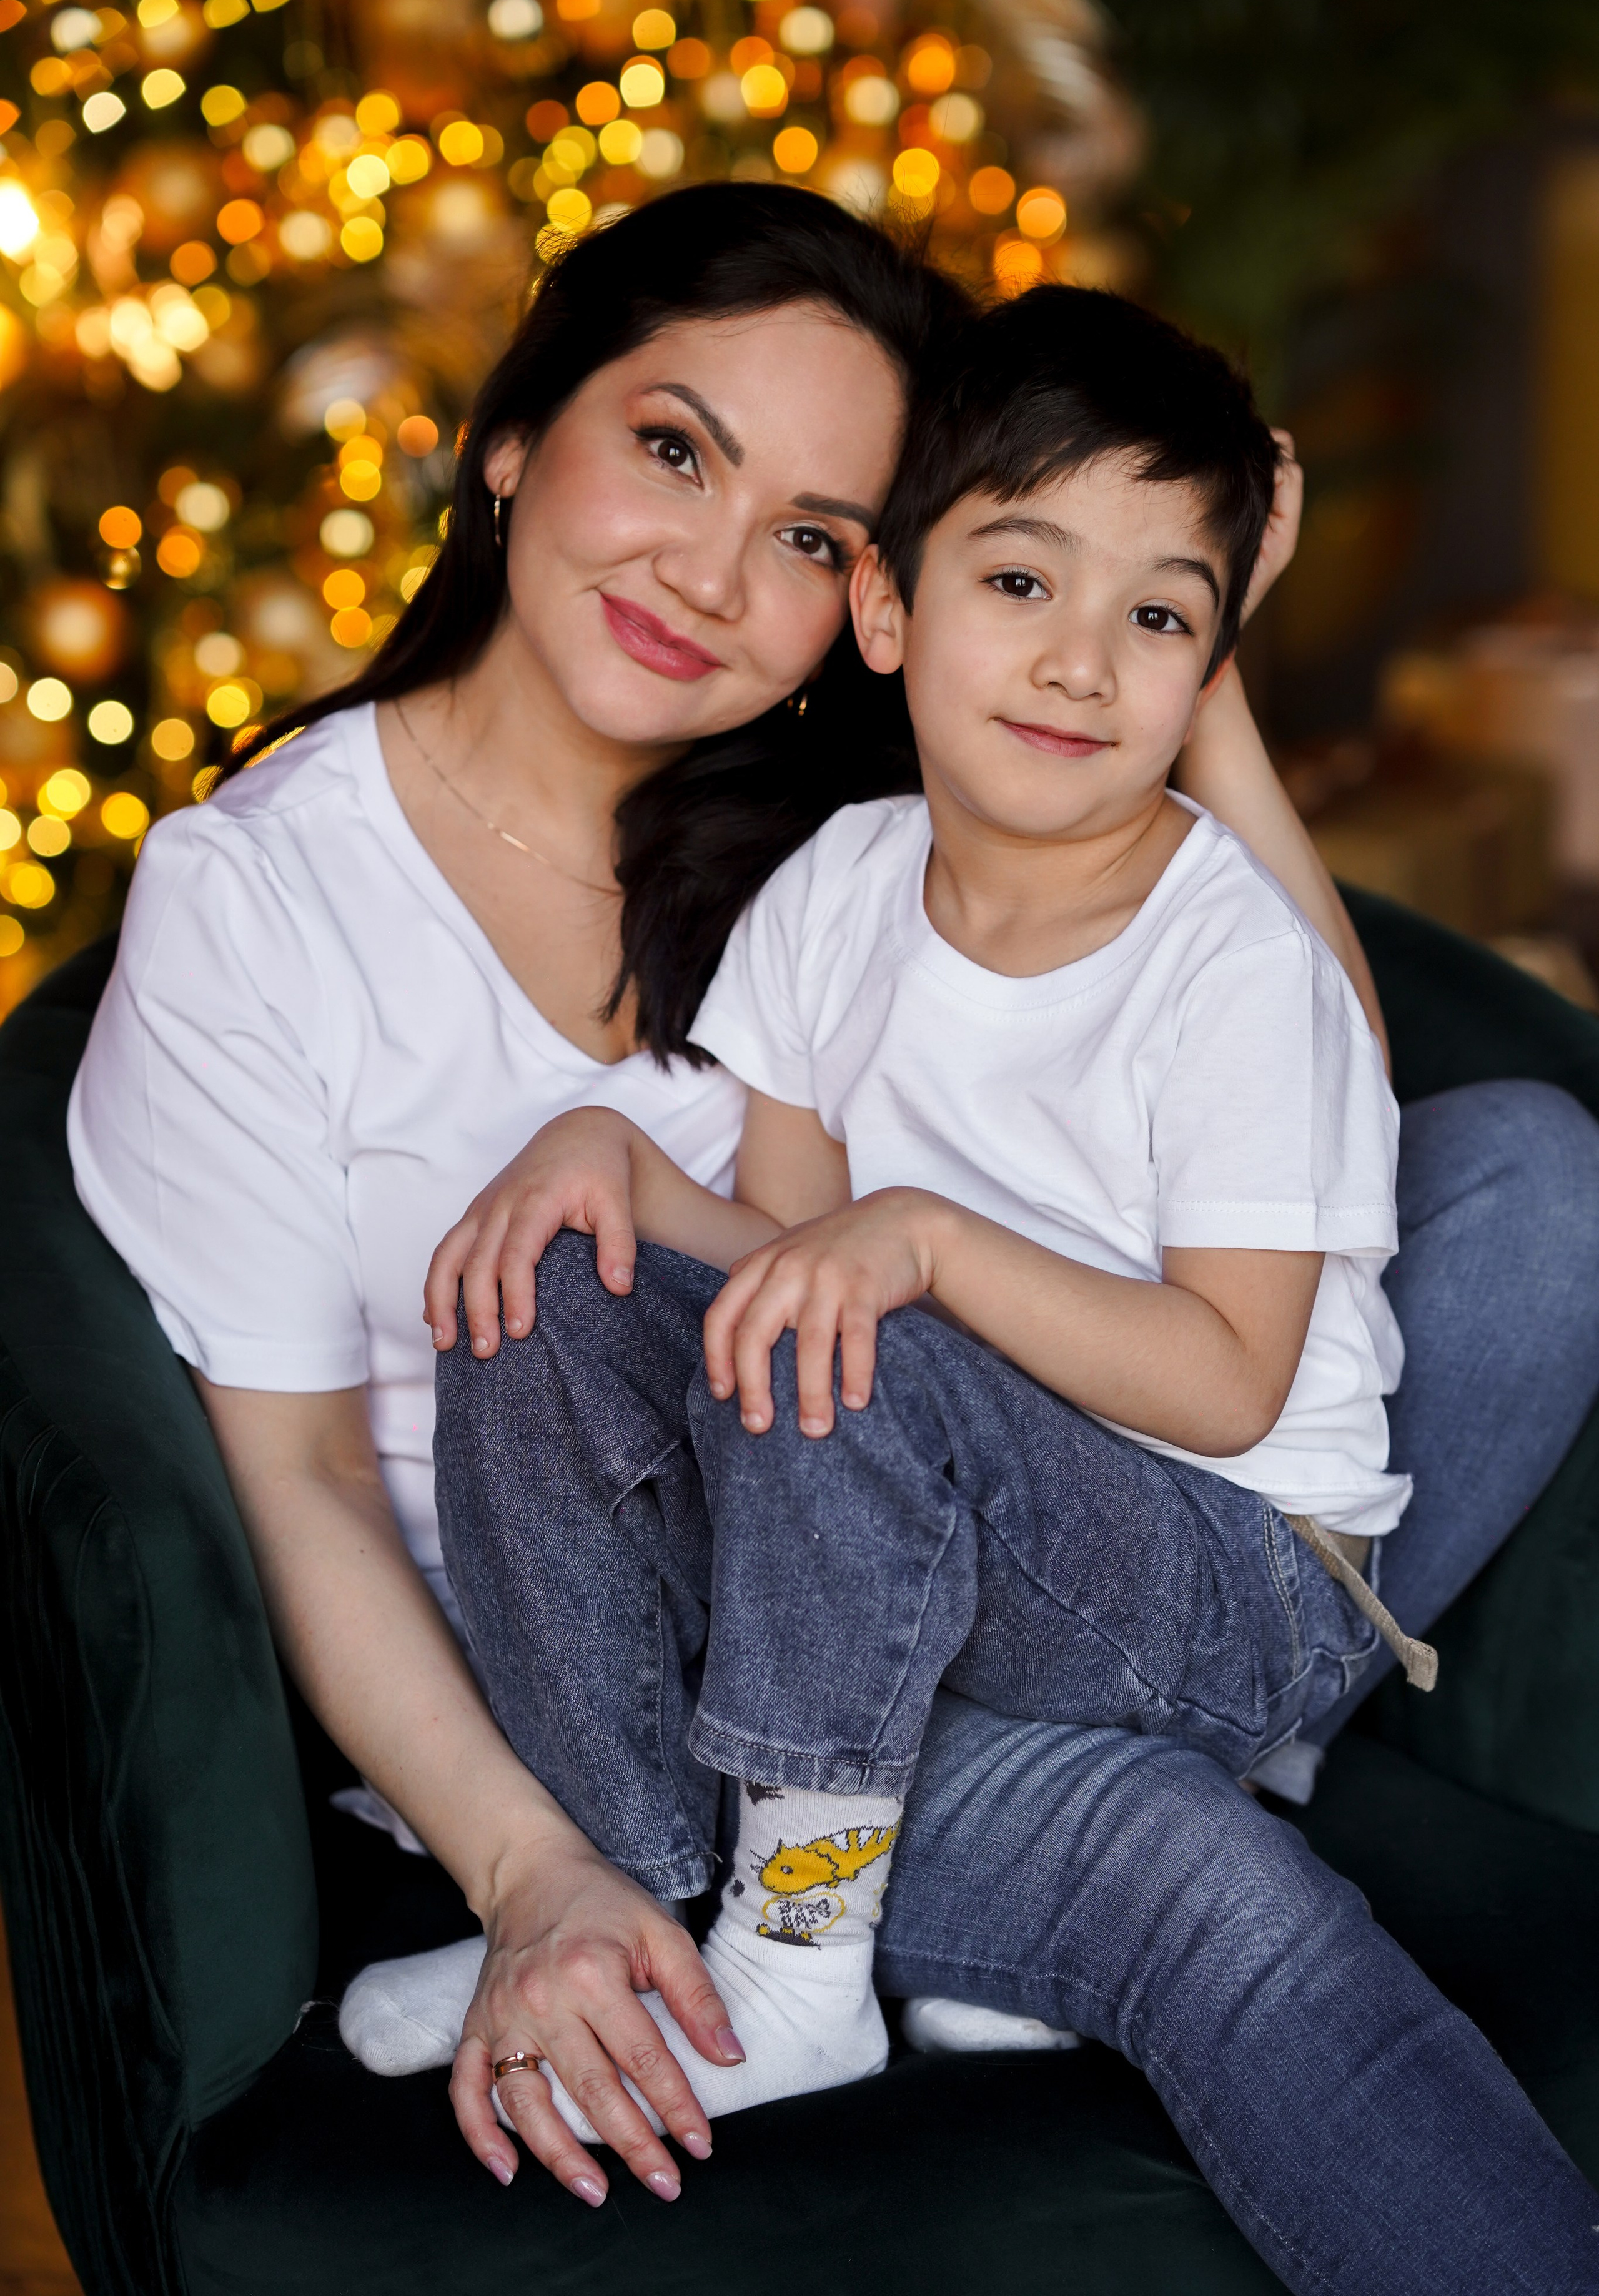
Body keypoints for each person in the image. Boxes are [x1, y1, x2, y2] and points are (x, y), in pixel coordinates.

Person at [62, 187, 1599, 2291]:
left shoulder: (863, 802)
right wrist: (533, 1883)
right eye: (674, 449)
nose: (714, 572)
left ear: (861, 593)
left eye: (805, 531)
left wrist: (1208, 642)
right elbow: (310, 1476)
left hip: (996, 1503)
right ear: (512, 435)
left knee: (1522, 1176)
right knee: (1182, 1877)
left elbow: (1301, 1096)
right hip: (646, 1645)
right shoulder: (258, 901)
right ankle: (838, 1870)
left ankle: (1213, 1708)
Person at [417, 285, 1437, 2144]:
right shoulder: (843, 885)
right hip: (967, 1514)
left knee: (865, 1339)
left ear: (1209, 678)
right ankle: (622, 1913)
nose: (1078, 665)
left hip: (1230, 1572)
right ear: (888, 610)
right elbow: (781, 1258)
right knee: (558, 1283)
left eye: (1156, 620)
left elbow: (1223, 1382)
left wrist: (929, 1243)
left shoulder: (1233, 967)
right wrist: (621, 1176)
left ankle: (801, 1962)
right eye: (1022, 584)